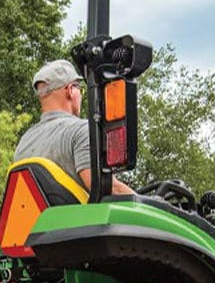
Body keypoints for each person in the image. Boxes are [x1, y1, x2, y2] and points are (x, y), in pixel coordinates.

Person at [12, 59, 133, 196]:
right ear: (70, 90)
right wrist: (152, 204)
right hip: (79, 218)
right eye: (79, 88)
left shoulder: (23, 143)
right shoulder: (82, 131)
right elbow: (105, 189)